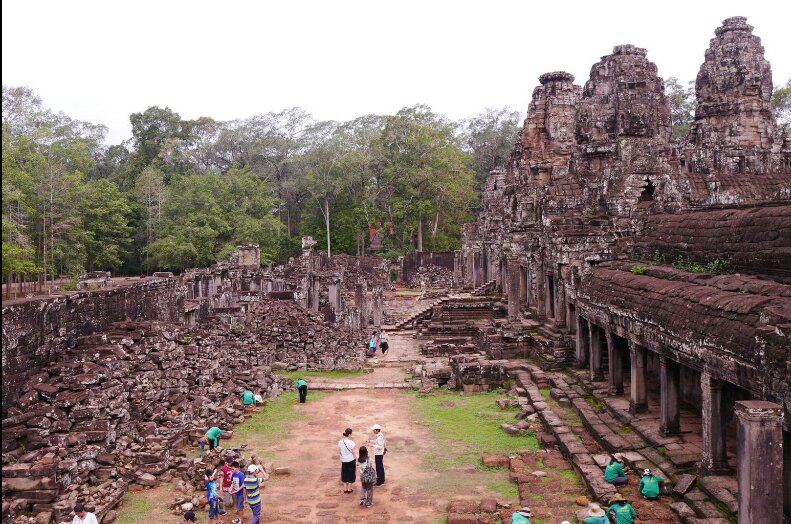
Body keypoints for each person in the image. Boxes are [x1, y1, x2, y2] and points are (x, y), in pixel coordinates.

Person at [339, 428, 357, 493]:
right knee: (351, 473)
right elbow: (353, 452)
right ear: (349, 434)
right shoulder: (351, 443)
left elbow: (340, 451)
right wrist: (356, 459)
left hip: (344, 460)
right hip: (351, 460)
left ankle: (345, 489)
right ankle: (349, 488)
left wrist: (341, 458)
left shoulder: (340, 441)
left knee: (344, 473)